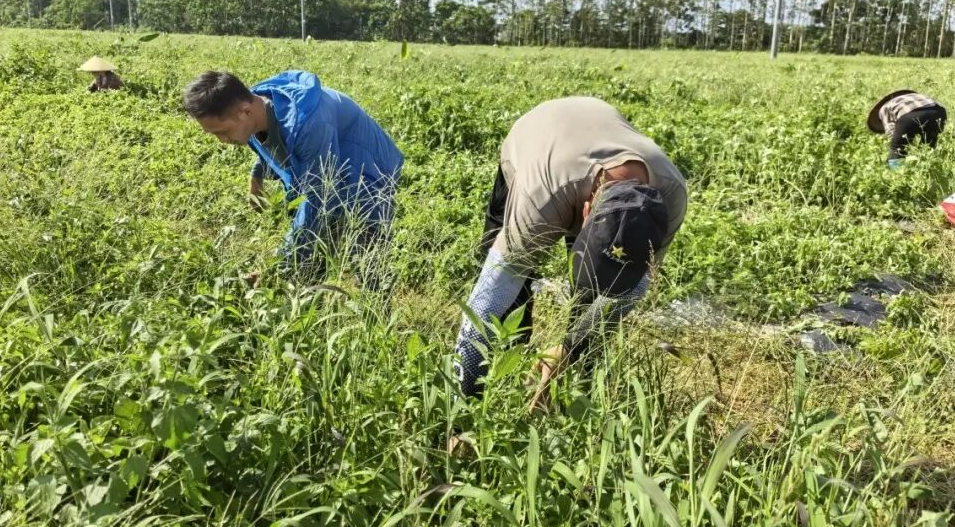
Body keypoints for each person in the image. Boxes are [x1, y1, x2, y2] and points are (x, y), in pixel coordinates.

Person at [452, 96, 687, 410]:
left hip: (590, 132)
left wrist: (567, 349)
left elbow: (633, 287)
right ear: (586, 211)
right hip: (536, 138)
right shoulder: (539, 201)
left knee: (596, 298)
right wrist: (462, 405)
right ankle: (508, 370)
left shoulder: (669, 199)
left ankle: (567, 390)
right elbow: (486, 301)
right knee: (511, 297)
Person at [182, 69, 404, 284]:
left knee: (366, 257)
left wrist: (277, 266)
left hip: (366, 169)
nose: (222, 140)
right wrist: (257, 176)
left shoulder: (309, 124)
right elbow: (276, 143)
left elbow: (317, 200)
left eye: (222, 132)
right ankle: (310, 299)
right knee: (310, 256)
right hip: (324, 166)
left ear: (245, 112)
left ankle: (375, 312)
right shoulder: (256, 108)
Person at [867, 89, 947, 169]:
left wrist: (894, 146)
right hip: (938, 111)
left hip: (910, 115)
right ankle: (931, 168)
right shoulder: (910, 97)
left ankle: (897, 174)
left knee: (897, 148)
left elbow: (891, 131)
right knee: (928, 145)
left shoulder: (883, 108)